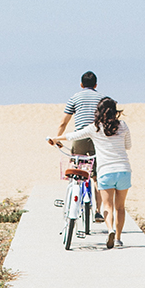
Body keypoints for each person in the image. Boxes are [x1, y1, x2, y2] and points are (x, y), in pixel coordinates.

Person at [50, 96, 131, 249]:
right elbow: (129, 146)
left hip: (106, 171)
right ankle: (119, 239)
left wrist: (55, 138)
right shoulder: (123, 125)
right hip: (124, 170)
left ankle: (110, 230)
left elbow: (73, 135)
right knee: (120, 207)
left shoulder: (94, 127)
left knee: (108, 206)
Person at [52, 72, 104, 221]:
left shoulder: (75, 98)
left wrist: (58, 138)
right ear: (95, 85)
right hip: (97, 139)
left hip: (79, 138)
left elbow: (63, 122)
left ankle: (73, 201)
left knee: (77, 172)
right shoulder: (102, 99)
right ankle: (98, 211)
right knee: (96, 176)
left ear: (81, 85)